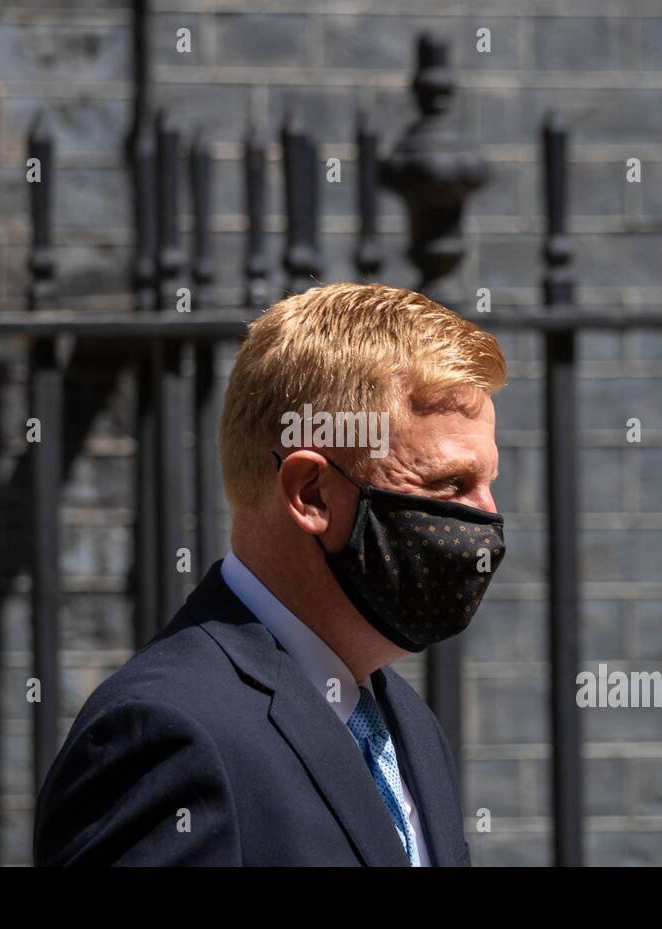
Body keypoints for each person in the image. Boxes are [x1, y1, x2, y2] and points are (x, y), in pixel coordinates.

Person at [34, 282, 507, 866]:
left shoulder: (407, 727)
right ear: (311, 494)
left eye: (488, 483)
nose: (486, 515)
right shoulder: (167, 734)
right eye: (448, 483)